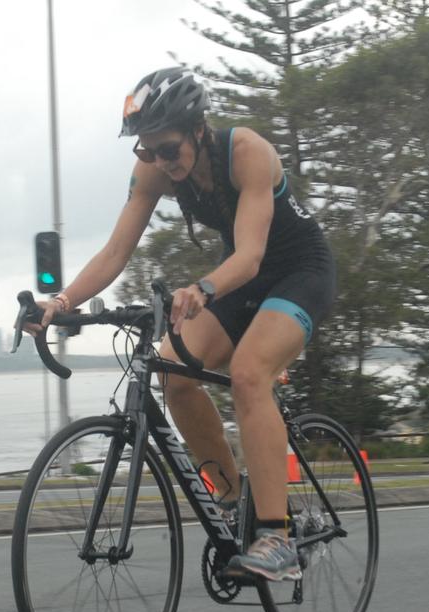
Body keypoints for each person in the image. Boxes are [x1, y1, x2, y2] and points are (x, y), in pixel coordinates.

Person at [27, 67, 336, 581]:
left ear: (197, 130)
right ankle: (237, 502)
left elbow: (253, 255)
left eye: (167, 149)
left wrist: (204, 288)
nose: (159, 162)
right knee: (173, 371)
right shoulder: (154, 169)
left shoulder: (246, 153)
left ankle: (277, 536)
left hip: (299, 272)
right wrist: (59, 303)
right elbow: (116, 251)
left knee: (248, 374)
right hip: (239, 278)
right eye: (146, 151)